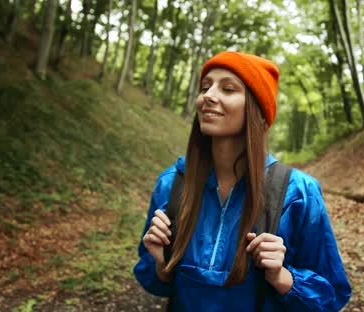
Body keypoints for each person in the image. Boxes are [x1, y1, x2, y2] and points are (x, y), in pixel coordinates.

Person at [133, 51, 351, 311]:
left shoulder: (298, 193)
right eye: (205, 87)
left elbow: (331, 295)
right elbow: (154, 283)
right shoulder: (172, 184)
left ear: (256, 108)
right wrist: (161, 264)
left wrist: (281, 276)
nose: (208, 96)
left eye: (228, 89)